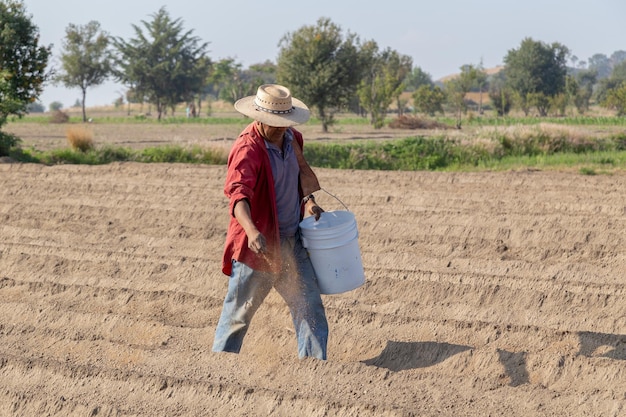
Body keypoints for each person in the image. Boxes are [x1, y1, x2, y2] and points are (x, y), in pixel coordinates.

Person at [212, 84, 329, 360]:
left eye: (284, 123)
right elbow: (238, 195)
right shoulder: (247, 148)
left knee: (309, 308)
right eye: (275, 124)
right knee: (239, 315)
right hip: (259, 247)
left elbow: (298, 177)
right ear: (260, 118)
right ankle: (218, 368)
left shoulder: (292, 139)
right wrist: (252, 230)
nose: (280, 128)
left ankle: (314, 369)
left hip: (292, 242)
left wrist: (308, 202)